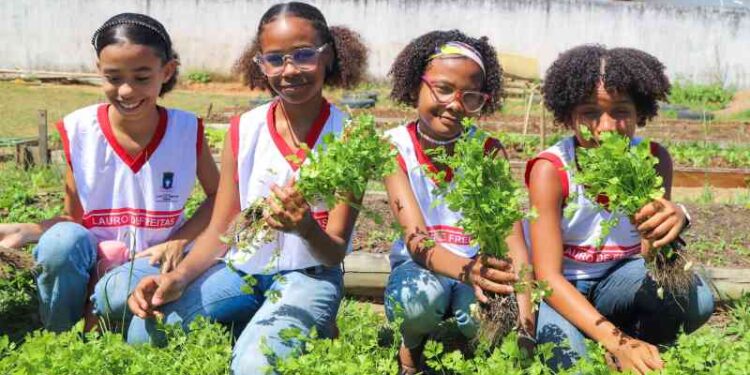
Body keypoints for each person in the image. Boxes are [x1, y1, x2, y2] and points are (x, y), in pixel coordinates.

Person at [125, 3, 367, 374]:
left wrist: (304, 227)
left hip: (309, 274)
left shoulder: (349, 137)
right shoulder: (245, 127)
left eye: (304, 55)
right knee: (144, 333)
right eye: (275, 59)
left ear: (329, 56)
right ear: (260, 64)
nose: (289, 70)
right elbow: (225, 228)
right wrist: (179, 277)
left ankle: (295, 321)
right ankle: (257, 317)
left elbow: (333, 253)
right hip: (243, 273)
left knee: (254, 365)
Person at [0, 12, 219, 332]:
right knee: (59, 244)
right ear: (99, 72)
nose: (127, 91)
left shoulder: (186, 131)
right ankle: (60, 332)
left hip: (153, 259)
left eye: (142, 77)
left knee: (123, 292)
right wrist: (27, 230)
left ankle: (103, 312)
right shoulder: (80, 131)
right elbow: (73, 222)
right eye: (113, 77)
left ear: (166, 71)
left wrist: (179, 240)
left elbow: (219, 196)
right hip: (94, 259)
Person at [526, 45, 714, 374]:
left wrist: (676, 219)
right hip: (564, 288)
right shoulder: (551, 170)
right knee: (575, 364)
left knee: (698, 299)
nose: (607, 127)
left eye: (621, 111)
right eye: (589, 113)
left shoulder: (654, 158)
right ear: (569, 115)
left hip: (620, 281)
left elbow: (648, 256)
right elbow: (547, 277)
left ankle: (644, 349)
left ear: (640, 111)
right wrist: (617, 342)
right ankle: (615, 343)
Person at [382, 30, 535, 374]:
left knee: (486, 323)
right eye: (443, 88)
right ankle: (411, 348)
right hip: (419, 268)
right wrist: (470, 273)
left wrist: (526, 325)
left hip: (479, 268)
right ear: (415, 85)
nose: (454, 104)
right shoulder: (394, 148)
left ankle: (468, 339)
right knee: (417, 303)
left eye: (470, 96)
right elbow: (416, 240)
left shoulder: (488, 151)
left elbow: (513, 241)